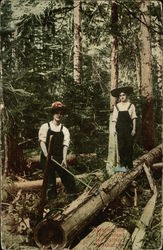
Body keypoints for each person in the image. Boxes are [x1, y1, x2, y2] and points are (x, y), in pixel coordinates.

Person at [38, 101, 76, 200]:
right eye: (56, 112)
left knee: (69, 178)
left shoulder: (64, 130)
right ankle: (52, 204)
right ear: (53, 113)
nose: (59, 115)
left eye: (61, 113)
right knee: (50, 182)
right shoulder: (45, 127)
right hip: (46, 157)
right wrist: (46, 155)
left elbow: (65, 145)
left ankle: (72, 200)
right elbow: (42, 142)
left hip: (59, 157)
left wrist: (64, 159)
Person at [111, 86, 137, 172]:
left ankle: (129, 165)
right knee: (121, 147)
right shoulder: (117, 106)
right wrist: (114, 129)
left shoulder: (131, 106)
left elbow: (134, 118)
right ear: (119, 97)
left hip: (128, 129)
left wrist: (134, 129)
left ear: (126, 96)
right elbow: (114, 119)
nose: (122, 97)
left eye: (124, 95)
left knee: (129, 146)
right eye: (120, 95)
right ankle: (122, 166)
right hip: (120, 129)